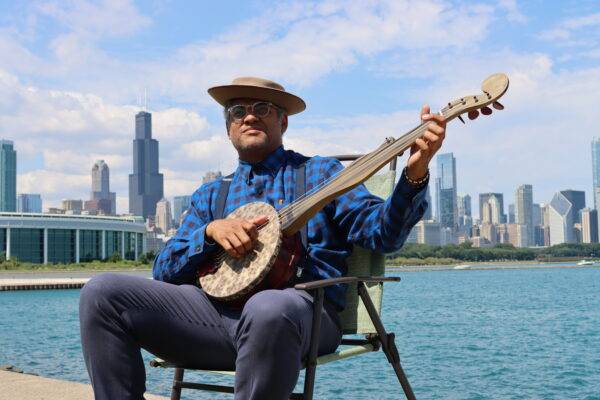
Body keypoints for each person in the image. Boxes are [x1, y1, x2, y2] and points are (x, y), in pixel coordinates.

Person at [79, 77, 446, 400]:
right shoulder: (211, 195)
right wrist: (210, 233)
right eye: (237, 110)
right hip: (212, 321)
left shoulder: (321, 173)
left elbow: (383, 233)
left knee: (267, 307)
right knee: (102, 293)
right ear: (228, 129)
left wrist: (414, 175)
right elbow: (165, 270)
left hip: (301, 317)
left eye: (262, 108)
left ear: (282, 121)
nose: (249, 116)